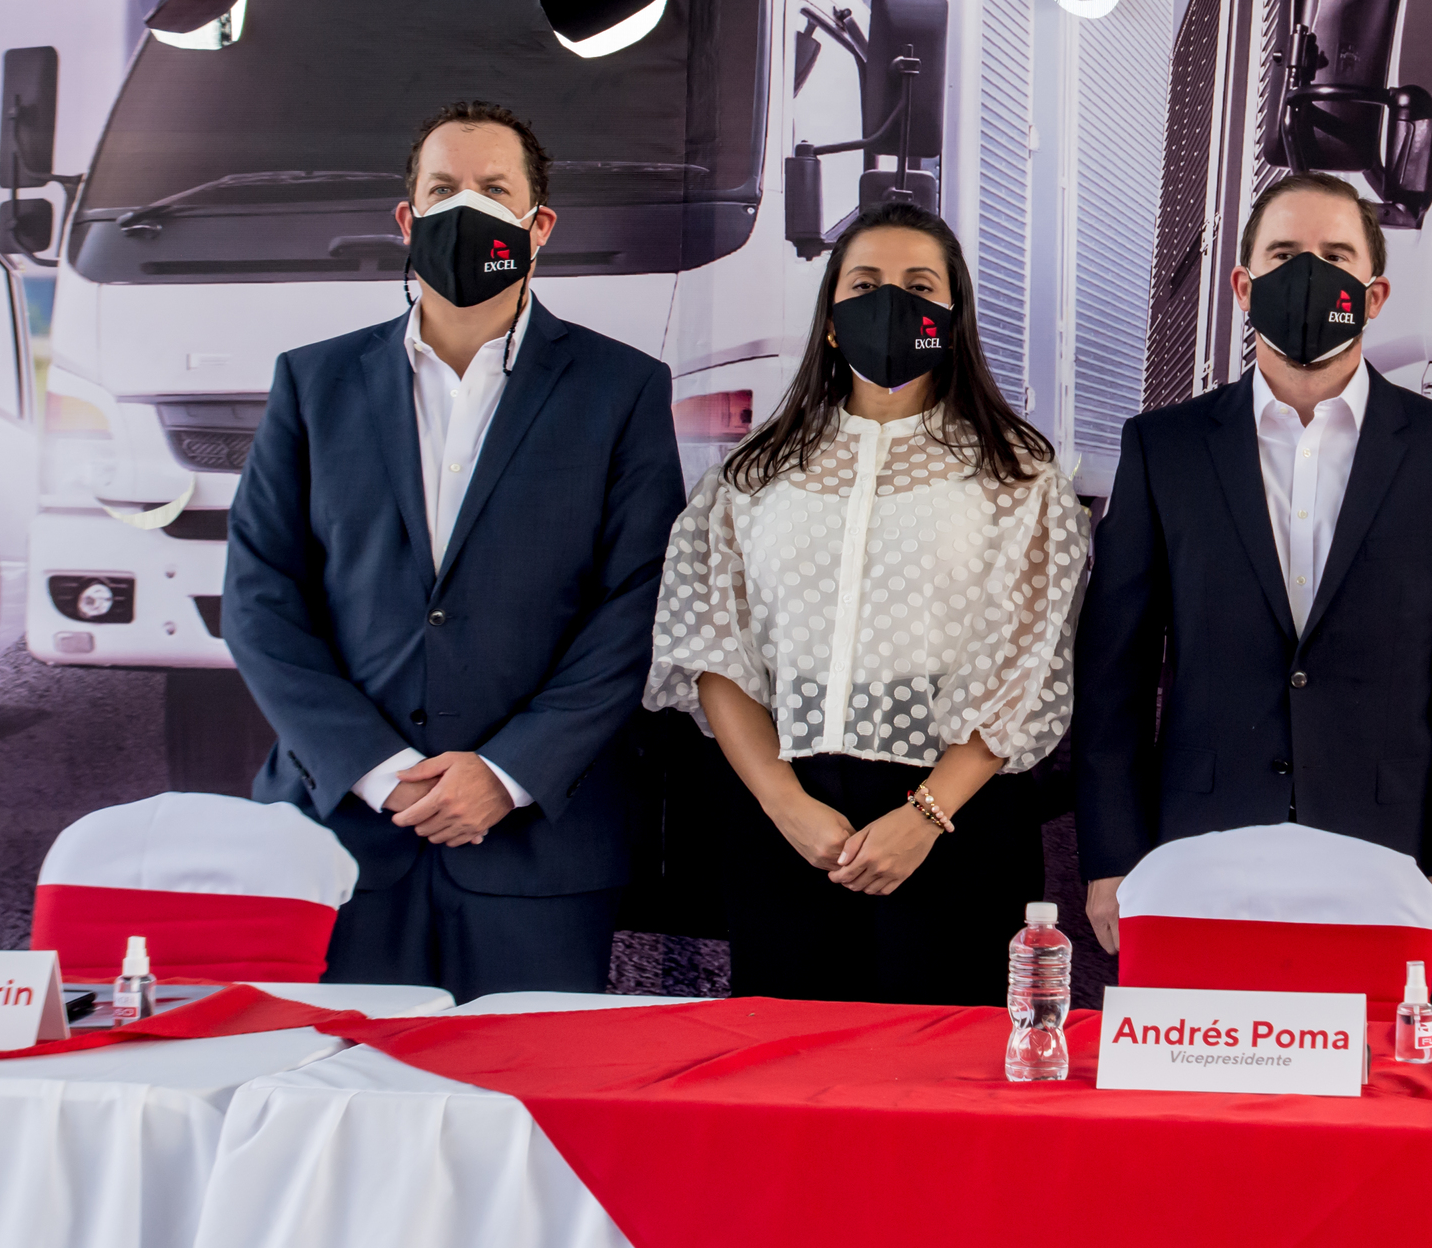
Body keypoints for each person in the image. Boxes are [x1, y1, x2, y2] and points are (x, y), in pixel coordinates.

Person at [227, 100, 686, 999]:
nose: (465, 208)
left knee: (532, 1115)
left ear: (537, 224)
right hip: (338, 840)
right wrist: (381, 772)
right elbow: (259, 598)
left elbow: (639, 604)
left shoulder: (622, 388)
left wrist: (507, 773)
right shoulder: (312, 383)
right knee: (329, 1119)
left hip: (538, 848)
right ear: (407, 220)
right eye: (443, 189)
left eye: (493, 189)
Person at [1075, 173, 1432, 959]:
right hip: (1196, 855)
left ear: (1375, 293)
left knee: (1378, 1080)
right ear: (1244, 287)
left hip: (1395, 858)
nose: (1309, 274)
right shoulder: (1165, 449)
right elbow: (1114, 672)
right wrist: (1113, 856)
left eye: (1335, 254)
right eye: (1285, 254)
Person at [644, 203, 1087, 1004]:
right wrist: (784, 804)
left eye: (921, 286)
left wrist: (924, 817)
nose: (894, 302)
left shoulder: (1019, 478)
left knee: (943, 1082)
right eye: (868, 283)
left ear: (952, 320)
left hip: (956, 820)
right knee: (786, 1073)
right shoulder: (752, 477)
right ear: (832, 322)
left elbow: (1023, 668)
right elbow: (717, 652)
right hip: (785, 815)